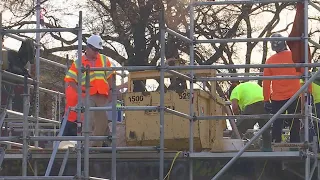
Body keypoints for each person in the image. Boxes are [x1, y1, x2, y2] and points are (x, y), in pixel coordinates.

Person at [64, 34, 114, 147]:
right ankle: (87, 146)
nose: (97, 52)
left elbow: (110, 76)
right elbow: (70, 79)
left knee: (102, 123)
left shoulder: (104, 59)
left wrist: (111, 90)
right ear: (88, 48)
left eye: (98, 50)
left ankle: (95, 146)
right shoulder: (78, 62)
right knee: (88, 121)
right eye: (95, 50)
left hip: (102, 96)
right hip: (88, 95)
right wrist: (80, 92)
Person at [263, 33, 302, 144]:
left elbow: (266, 82)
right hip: (295, 95)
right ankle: (295, 144)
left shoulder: (270, 61)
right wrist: (308, 91)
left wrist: (266, 99)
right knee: (294, 122)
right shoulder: (295, 56)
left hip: (277, 97)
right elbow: (305, 73)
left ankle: (276, 143)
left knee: (277, 122)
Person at [228, 81, 272, 151]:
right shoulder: (251, 85)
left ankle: (233, 150)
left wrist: (239, 118)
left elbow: (235, 107)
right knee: (265, 129)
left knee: (238, 129)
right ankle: (267, 149)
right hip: (265, 103)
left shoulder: (235, 90)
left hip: (252, 105)